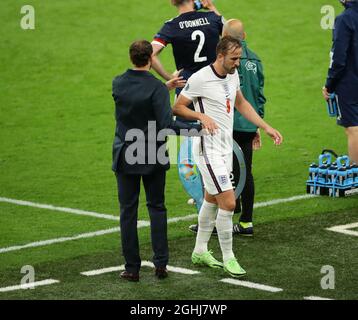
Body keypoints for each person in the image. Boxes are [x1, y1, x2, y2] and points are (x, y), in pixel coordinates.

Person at [173, 36, 283, 277]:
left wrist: (265, 126)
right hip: (207, 149)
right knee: (230, 203)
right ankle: (229, 257)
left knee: (212, 199)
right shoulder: (200, 78)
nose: (237, 63)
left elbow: (241, 103)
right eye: (234, 59)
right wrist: (201, 117)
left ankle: (200, 250)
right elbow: (178, 107)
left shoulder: (233, 76)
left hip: (225, 148)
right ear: (220, 55)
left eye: (239, 58)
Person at [112, 40, 199, 282]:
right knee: (157, 208)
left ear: (132, 58)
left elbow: (139, 97)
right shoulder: (157, 89)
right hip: (154, 153)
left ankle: (132, 268)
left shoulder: (118, 83)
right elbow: (167, 125)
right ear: (151, 59)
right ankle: (160, 264)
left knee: (127, 212)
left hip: (126, 151)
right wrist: (198, 127)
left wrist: (163, 89)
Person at [189, 19, 267, 236]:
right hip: (247, 125)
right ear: (245, 35)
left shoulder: (227, 64)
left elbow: (232, 98)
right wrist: (258, 124)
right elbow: (258, 96)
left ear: (223, 38)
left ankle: (214, 221)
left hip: (225, 126)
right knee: (245, 172)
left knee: (216, 171)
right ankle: (246, 221)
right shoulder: (256, 60)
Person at [322, 0, 358, 163]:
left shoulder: (345, 19)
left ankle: (356, 175)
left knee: (353, 129)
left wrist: (329, 84)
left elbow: (338, 58)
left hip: (350, 83)